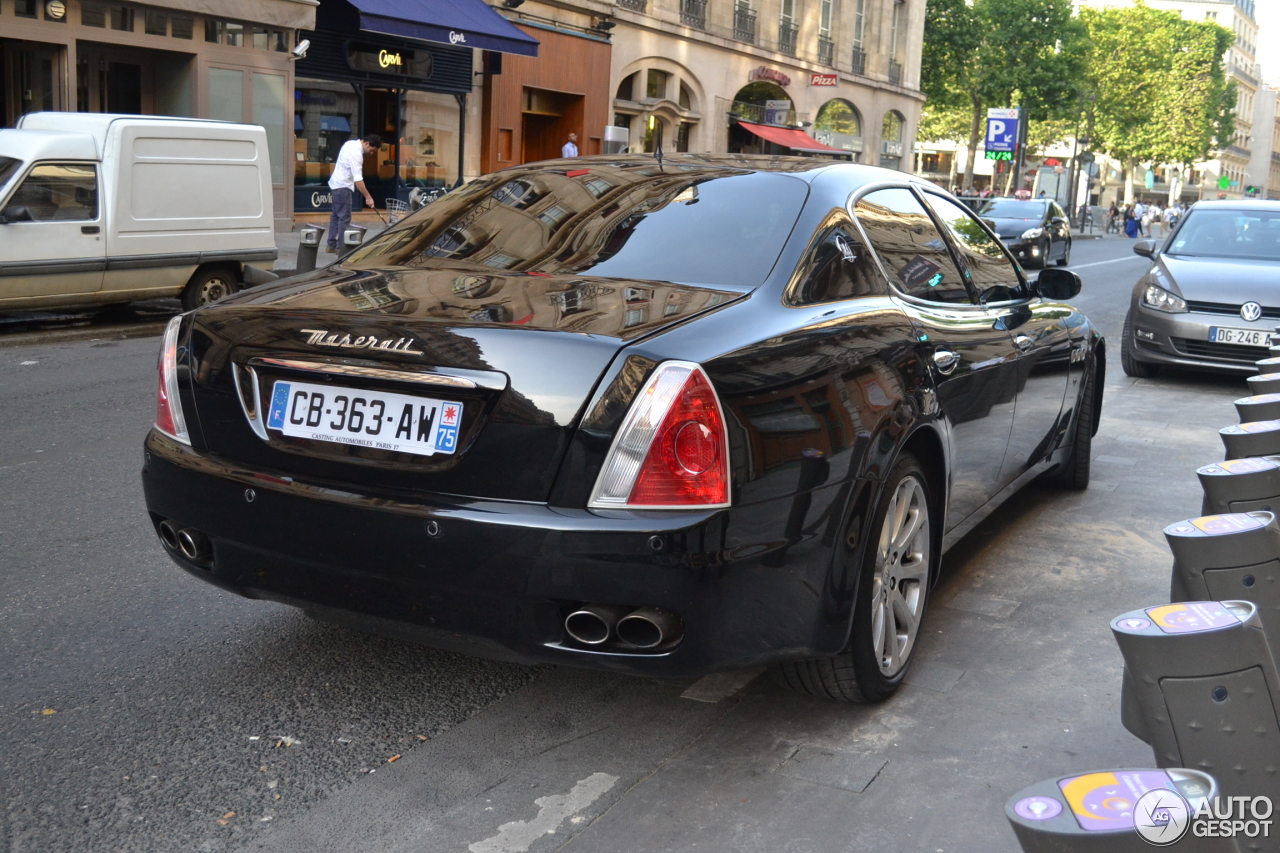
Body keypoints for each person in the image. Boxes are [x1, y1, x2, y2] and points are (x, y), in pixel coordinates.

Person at [327, 134, 380, 254]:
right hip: (343, 186)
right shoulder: (357, 154)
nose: (371, 153)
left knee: (336, 216)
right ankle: (341, 248)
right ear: (366, 143)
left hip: (335, 184)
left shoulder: (349, 143)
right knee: (344, 218)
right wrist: (368, 197)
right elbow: (358, 180)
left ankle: (331, 244)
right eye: (372, 150)